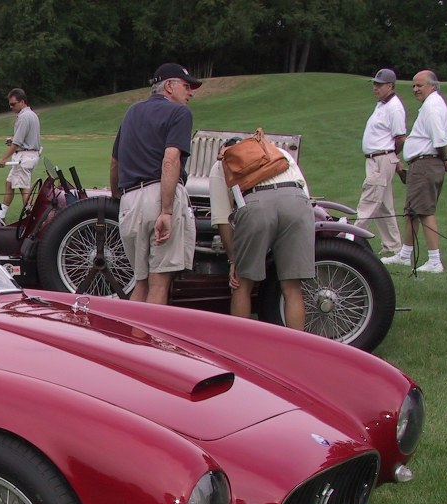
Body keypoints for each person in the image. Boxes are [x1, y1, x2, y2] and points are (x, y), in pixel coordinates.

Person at [109, 63, 199, 304]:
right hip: (160, 194)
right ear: (169, 86)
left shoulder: (132, 112)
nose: (190, 93)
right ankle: (149, 342)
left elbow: (115, 161)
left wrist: (117, 195)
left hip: (130, 200)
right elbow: (171, 159)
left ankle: (131, 341)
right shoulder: (179, 113)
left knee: (141, 281)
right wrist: (167, 211)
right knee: (159, 283)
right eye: (187, 86)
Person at [209, 137, 315, 330]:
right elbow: (305, 193)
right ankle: (297, 353)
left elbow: (223, 220)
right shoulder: (275, 150)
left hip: (257, 206)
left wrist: (233, 260)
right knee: (292, 288)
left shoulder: (221, 164)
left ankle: (242, 351)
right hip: (296, 202)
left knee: (242, 284)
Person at [383, 70, 447, 273]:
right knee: (412, 212)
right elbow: (446, 137)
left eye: (420, 85)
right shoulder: (434, 104)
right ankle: (405, 255)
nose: (415, 89)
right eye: (413, 86)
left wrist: (444, 159)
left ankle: (435, 261)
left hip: (426, 165)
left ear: (432, 85)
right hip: (423, 164)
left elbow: (440, 140)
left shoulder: (432, 107)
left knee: (424, 212)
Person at [355, 69, 406, 259]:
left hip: (381, 159)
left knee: (369, 201)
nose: (375, 87)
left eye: (379, 84)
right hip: (377, 158)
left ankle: (349, 239)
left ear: (390, 86)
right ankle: (393, 248)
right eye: (374, 84)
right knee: (384, 206)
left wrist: (391, 157)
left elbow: (400, 138)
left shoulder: (394, 107)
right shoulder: (382, 105)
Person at [0, 88, 41, 222]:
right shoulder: (32, 114)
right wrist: (13, 140)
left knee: (23, 188)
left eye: (13, 104)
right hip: (29, 155)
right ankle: (1, 215)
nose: (11, 107)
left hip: (24, 157)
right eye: (10, 104)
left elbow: (17, 143)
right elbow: (24, 138)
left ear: (22, 102)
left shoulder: (23, 117)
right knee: (9, 184)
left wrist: (3, 159)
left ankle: (32, 217)